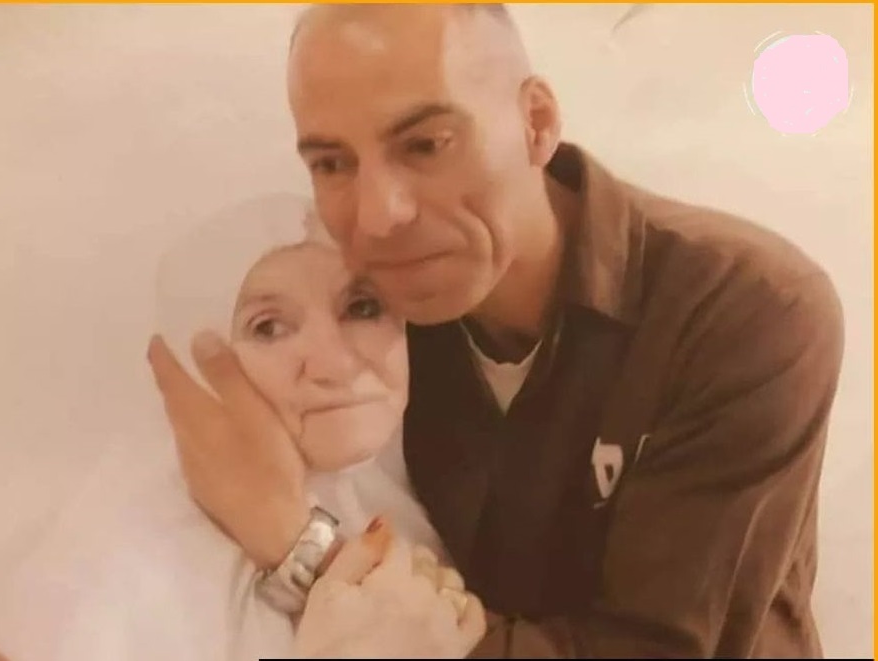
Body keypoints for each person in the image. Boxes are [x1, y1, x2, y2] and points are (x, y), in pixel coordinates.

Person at [146, 4, 846, 659]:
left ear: (536, 122)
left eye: (425, 145)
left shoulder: (745, 308)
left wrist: (299, 546)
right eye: (332, 164)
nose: (379, 215)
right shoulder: (379, 313)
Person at [0, 195, 484, 661]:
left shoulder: (435, 478)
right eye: (267, 327)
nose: (335, 362)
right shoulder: (121, 573)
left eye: (362, 308)